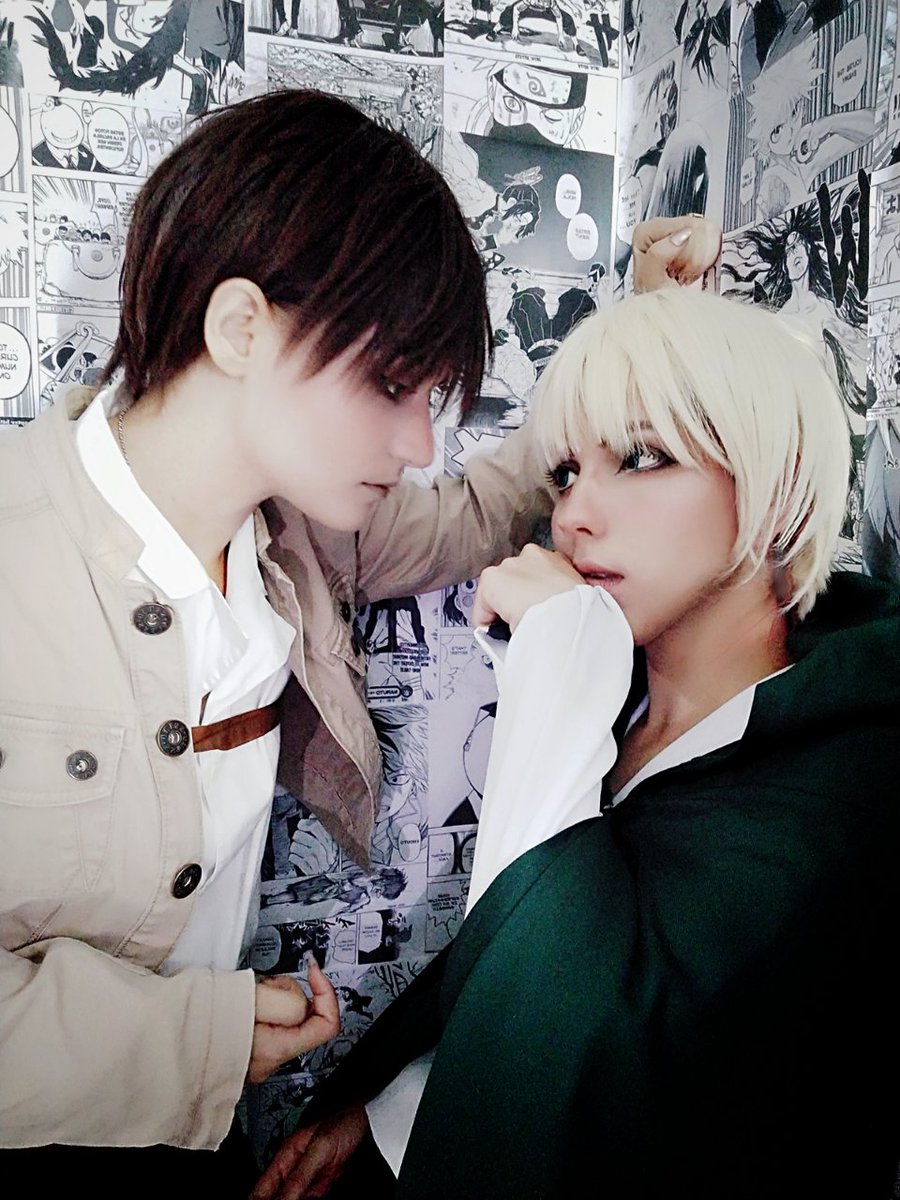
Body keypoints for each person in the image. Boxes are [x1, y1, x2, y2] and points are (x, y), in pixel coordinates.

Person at [0, 88, 718, 1190]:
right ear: (241, 329)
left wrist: (642, 336)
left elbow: (488, 506)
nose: (420, 440)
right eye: (389, 384)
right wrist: (200, 1040)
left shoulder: (306, 533)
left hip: (188, 1141)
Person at [254, 288, 900, 1199]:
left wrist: (554, 675)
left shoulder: (854, 775)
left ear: (778, 478)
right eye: (563, 475)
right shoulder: (619, 698)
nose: (573, 517)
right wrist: (393, 1111)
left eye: (642, 457)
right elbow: (526, 956)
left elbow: (598, 1069)